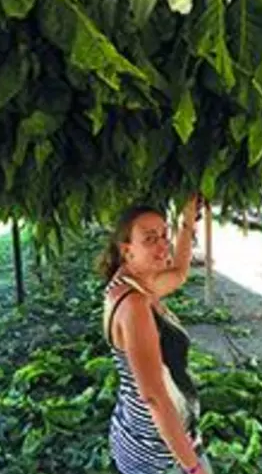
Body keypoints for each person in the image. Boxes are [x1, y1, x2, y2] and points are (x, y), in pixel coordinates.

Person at [97, 195, 213, 474]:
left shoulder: (131, 285)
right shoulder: (134, 305)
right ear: (127, 250)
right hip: (157, 453)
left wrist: (187, 223)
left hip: (145, 436)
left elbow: (180, 273)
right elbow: (154, 397)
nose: (163, 246)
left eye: (164, 235)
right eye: (150, 239)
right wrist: (192, 468)